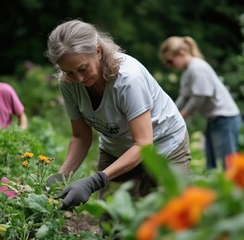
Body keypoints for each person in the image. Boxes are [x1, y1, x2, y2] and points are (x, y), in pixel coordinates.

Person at [45, 19, 191, 210]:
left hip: (164, 145)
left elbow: (143, 144)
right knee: (113, 220)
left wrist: (95, 181)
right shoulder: (68, 83)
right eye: (69, 72)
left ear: (98, 51)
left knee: (174, 215)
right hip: (117, 148)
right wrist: (61, 176)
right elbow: (81, 136)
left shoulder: (128, 79)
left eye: (82, 69)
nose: (78, 78)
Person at [159, 36, 241, 170]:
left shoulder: (197, 68)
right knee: (213, 167)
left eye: (170, 61)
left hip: (225, 120)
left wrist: (181, 116)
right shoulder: (187, 71)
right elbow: (184, 97)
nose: (169, 66)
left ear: (182, 53)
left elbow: (199, 98)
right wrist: (169, 114)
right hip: (214, 121)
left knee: (227, 167)